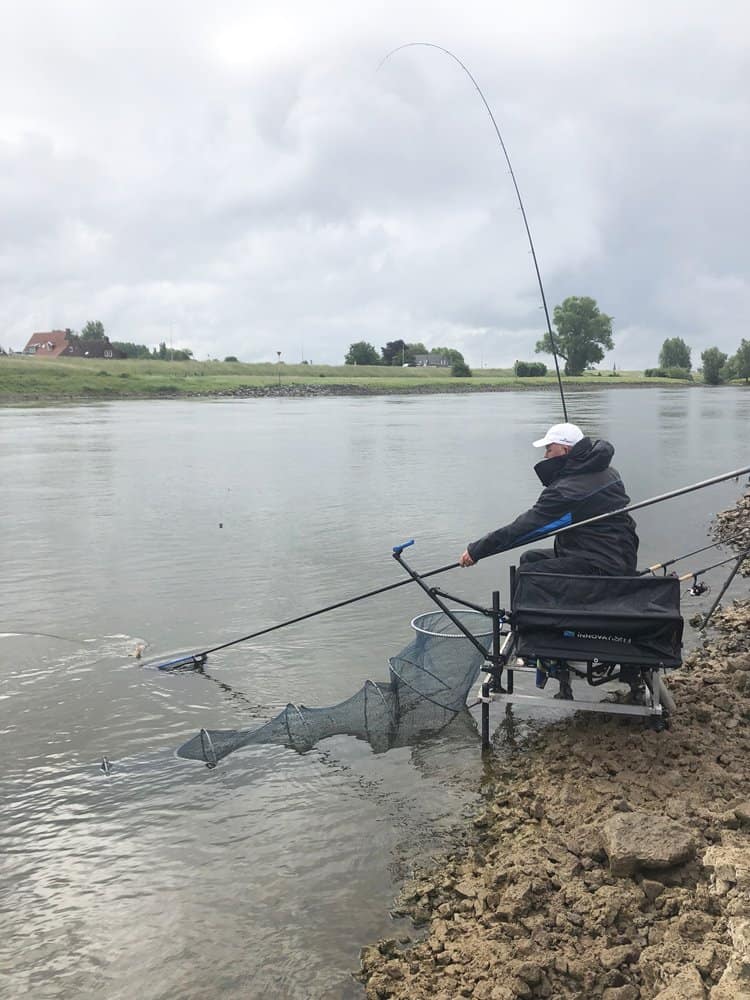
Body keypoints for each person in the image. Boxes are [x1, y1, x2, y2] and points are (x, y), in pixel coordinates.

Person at [459, 422, 639, 575]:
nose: (545, 455)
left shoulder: (566, 491)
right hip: (622, 553)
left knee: (527, 573)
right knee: (529, 558)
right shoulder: (609, 471)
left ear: (564, 449)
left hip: (603, 564)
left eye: (548, 449)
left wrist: (478, 550)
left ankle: (532, 617)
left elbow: (527, 527)